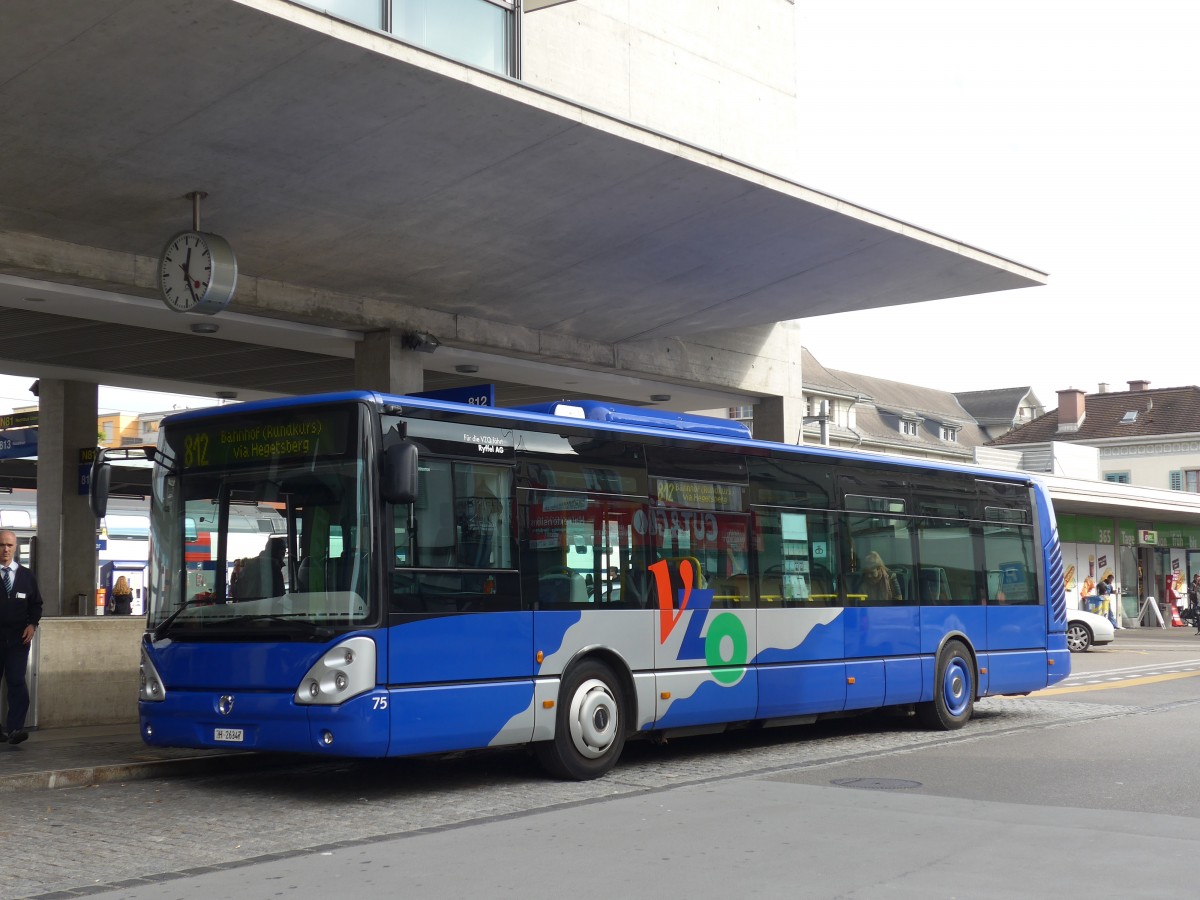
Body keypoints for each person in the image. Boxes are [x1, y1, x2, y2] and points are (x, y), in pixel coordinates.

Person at [0, 529, 42, 746]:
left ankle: (16, 728)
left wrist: (33, 624)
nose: (5, 549)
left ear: (15, 548)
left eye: (9, 545)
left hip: (18, 640)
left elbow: (36, 604)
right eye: (1, 545)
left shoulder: (26, 577)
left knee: (16, 681)